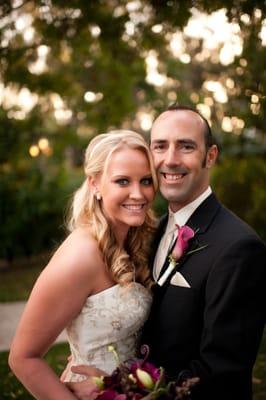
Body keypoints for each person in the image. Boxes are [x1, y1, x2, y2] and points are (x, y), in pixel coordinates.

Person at [67, 106, 266, 400]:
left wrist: (118, 387)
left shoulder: (238, 247)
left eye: (186, 146)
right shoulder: (151, 231)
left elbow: (221, 374)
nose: (170, 160)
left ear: (210, 156)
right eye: (160, 146)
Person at [8, 130, 158, 399]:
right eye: (122, 181)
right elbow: (23, 358)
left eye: (146, 180)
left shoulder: (136, 240)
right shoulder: (80, 257)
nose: (138, 194)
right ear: (95, 185)